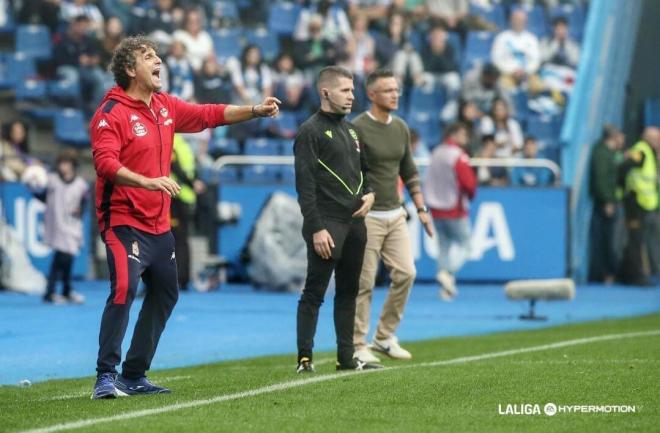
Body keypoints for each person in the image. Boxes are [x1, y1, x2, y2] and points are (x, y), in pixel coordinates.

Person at [89, 35, 280, 399]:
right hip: (122, 220)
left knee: (166, 293)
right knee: (125, 288)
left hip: (158, 225)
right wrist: (148, 181)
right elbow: (105, 165)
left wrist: (254, 110)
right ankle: (105, 376)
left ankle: (133, 374)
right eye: (149, 57)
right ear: (130, 69)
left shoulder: (164, 106)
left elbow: (209, 115)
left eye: (158, 54)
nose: (158, 60)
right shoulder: (110, 114)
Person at [294, 66, 381, 373]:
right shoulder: (310, 131)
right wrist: (316, 228)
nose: (351, 96)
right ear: (325, 92)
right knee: (314, 292)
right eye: (345, 90)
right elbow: (304, 187)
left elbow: (366, 172)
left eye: (352, 91)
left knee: (348, 293)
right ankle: (305, 359)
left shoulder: (352, 131)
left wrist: (370, 194)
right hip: (326, 222)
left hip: (355, 224)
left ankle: (346, 358)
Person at [351, 69, 434, 363]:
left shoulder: (400, 128)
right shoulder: (357, 128)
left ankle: (384, 336)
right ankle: (357, 343)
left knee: (407, 273)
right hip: (367, 216)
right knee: (364, 281)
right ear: (372, 95)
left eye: (396, 90)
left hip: (396, 213)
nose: (395, 94)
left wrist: (422, 210)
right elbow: (351, 173)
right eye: (388, 90)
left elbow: (409, 171)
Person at [423, 122, 476, 300]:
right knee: (466, 245)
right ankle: (448, 273)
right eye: (463, 134)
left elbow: (427, 178)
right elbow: (469, 183)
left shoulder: (436, 152)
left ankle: (446, 289)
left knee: (443, 246)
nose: (465, 138)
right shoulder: (458, 156)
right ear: (453, 134)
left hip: (436, 209)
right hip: (454, 208)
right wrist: (470, 195)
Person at [38, 150, 89, 304]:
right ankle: (50, 292)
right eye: (61, 163)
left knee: (68, 260)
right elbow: (42, 197)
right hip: (57, 226)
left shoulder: (81, 184)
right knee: (59, 259)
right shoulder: (52, 180)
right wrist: (32, 186)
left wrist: (80, 209)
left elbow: (84, 203)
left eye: (66, 163)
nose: (63, 167)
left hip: (72, 227)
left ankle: (65, 291)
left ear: (73, 165)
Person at [617, 127, 660, 286]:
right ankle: (635, 276)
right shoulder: (641, 151)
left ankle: (626, 272)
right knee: (635, 240)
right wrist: (624, 190)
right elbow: (622, 168)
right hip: (636, 202)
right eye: (656, 138)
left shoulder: (649, 152)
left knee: (636, 239)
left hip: (645, 203)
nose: (658, 142)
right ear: (647, 138)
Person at [170, 134, 205, 292]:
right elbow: (189, 168)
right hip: (184, 197)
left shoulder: (172, 139)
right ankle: (182, 279)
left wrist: (192, 184)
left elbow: (175, 167)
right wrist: (194, 183)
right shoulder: (184, 142)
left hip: (175, 196)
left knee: (174, 239)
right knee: (182, 240)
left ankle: (178, 279)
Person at [588, 125, 622, 284]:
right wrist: (607, 200)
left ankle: (608, 273)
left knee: (609, 239)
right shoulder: (601, 153)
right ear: (612, 136)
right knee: (607, 240)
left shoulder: (609, 152)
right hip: (605, 203)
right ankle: (605, 274)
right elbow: (601, 178)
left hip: (609, 200)